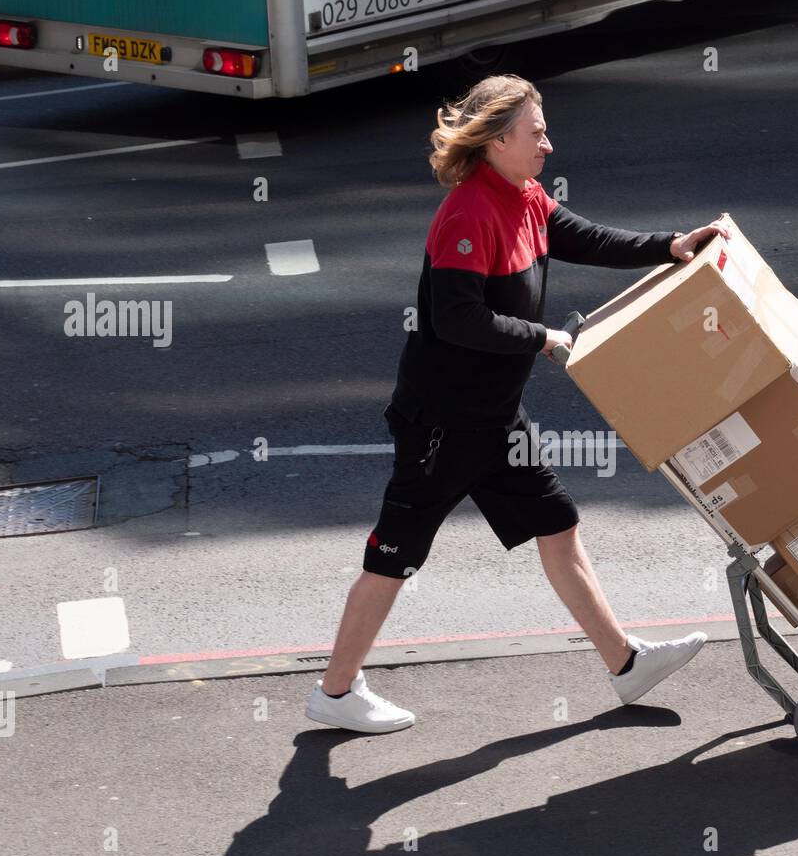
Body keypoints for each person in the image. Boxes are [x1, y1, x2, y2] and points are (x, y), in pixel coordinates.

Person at [305, 74, 732, 734]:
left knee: (557, 523)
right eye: (536, 133)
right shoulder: (468, 214)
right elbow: (457, 319)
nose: (547, 144)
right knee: (396, 554)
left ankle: (625, 664)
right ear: (499, 140)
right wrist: (543, 337)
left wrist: (667, 245)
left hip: (494, 417)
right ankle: (334, 693)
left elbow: (587, 238)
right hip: (442, 422)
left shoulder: (525, 197)